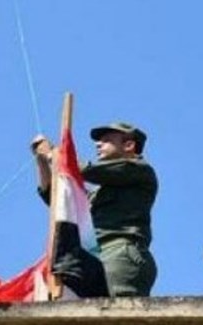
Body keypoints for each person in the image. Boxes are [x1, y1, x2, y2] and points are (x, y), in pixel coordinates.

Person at [32, 121, 158, 297]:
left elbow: (84, 170)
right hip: (97, 256)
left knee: (117, 314)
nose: (98, 144)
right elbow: (59, 201)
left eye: (106, 140)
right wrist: (42, 161)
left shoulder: (139, 170)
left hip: (120, 254)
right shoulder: (99, 193)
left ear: (129, 145)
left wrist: (53, 154)